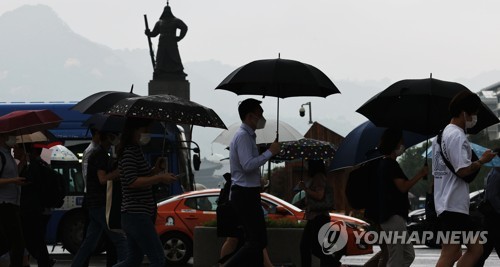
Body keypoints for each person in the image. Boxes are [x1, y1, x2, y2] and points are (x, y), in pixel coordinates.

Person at [432, 90, 496, 267]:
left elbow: (437, 172)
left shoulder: (440, 136)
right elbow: (463, 171)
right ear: (463, 113)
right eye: (473, 113)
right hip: (453, 205)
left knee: (475, 249)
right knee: (451, 252)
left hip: (446, 203)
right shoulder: (457, 136)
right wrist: (482, 161)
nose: (474, 118)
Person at [224, 99, 280, 267]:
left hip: (248, 192)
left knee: (256, 241)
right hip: (245, 195)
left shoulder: (248, 136)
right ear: (250, 116)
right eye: (259, 114)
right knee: (257, 240)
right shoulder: (243, 136)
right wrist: (270, 152)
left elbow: (246, 168)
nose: (262, 118)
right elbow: (247, 165)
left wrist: (258, 181)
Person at [113, 118, 177, 267]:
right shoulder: (129, 152)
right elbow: (132, 181)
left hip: (136, 214)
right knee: (158, 259)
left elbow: (141, 175)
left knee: (133, 260)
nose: (147, 134)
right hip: (136, 214)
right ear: (135, 130)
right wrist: (159, 177)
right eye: (145, 130)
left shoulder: (135, 150)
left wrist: (155, 169)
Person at [373, 128, 428, 267]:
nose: (402, 145)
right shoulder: (390, 165)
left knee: (407, 254)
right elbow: (403, 186)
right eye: (401, 142)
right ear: (394, 144)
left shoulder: (386, 164)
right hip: (392, 216)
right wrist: (420, 174)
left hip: (391, 216)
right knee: (397, 256)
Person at [72, 131, 127, 267]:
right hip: (100, 203)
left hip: (94, 203)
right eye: (113, 135)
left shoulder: (100, 154)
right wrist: (117, 173)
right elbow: (102, 179)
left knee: (89, 242)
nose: (116, 138)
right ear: (107, 136)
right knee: (120, 239)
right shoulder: (100, 155)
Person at [13, 143, 55, 267]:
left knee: (31, 239)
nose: (13, 150)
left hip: (30, 209)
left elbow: (24, 182)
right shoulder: (31, 164)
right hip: (32, 208)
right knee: (34, 239)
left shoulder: (33, 165)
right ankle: (44, 261)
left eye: (16, 148)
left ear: (23, 149)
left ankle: (44, 262)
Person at [298, 159, 342, 267]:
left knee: (313, 247)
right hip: (315, 217)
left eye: (309, 163)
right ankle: (333, 263)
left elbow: (319, 195)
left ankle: (335, 264)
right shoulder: (317, 178)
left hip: (319, 217)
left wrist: (305, 189)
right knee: (307, 246)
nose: (307, 166)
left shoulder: (318, 177)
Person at [0, 133, 26, 267]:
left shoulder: (8, 155)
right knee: (17, 243)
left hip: (14, 203)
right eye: (9, 135)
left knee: (13, 243)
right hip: (4, 204)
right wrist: (13, 180)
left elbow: (12, 174)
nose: (13, 138)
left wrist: (22, 163)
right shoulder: (1, 155)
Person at [145, 5, 188, 80]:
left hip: (171, 42)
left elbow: (184, 27)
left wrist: (179, 37)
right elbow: (154, 33)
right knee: (160, 58)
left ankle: (178, 70)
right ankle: (159, 70)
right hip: (162, 42)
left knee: (174, 56)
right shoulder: (159, 22)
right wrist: (148, 33)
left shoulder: (175, 21)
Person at [476, 167, 500, 267]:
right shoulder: (497, 173)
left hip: (492, 219)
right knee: (482, 251)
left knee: (483, 250)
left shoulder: (494, 171)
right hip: (495, 218)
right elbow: (492, 196)